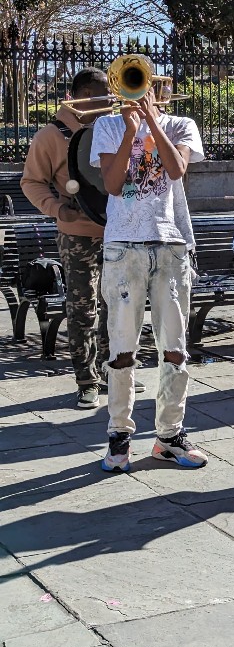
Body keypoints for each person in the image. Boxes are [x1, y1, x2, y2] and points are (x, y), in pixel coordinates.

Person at [91, 85, 205, 472]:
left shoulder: (179, 123)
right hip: (124, 247)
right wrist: (129, 131)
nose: (139, 92)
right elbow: (112, 184)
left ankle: (169, 437)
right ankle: (119, 437)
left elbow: (176, 170)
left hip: (170, 243)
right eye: (131, 85)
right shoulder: (107, 125)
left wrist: (152, 123)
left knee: (174, 347)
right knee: (122, 349)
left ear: (161, 92)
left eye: (147, 86)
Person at [21, 67, 141, 409]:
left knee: (118, 304)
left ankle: (114, 373)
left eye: (108, 96)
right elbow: (31, 182)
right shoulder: (51, 135)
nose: (106, 103)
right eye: (97, 96)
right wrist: (58, 209)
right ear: (76, 96)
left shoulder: (117, 127)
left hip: (118, 230)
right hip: (77, 234)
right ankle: (86, 381)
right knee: (82, 308)